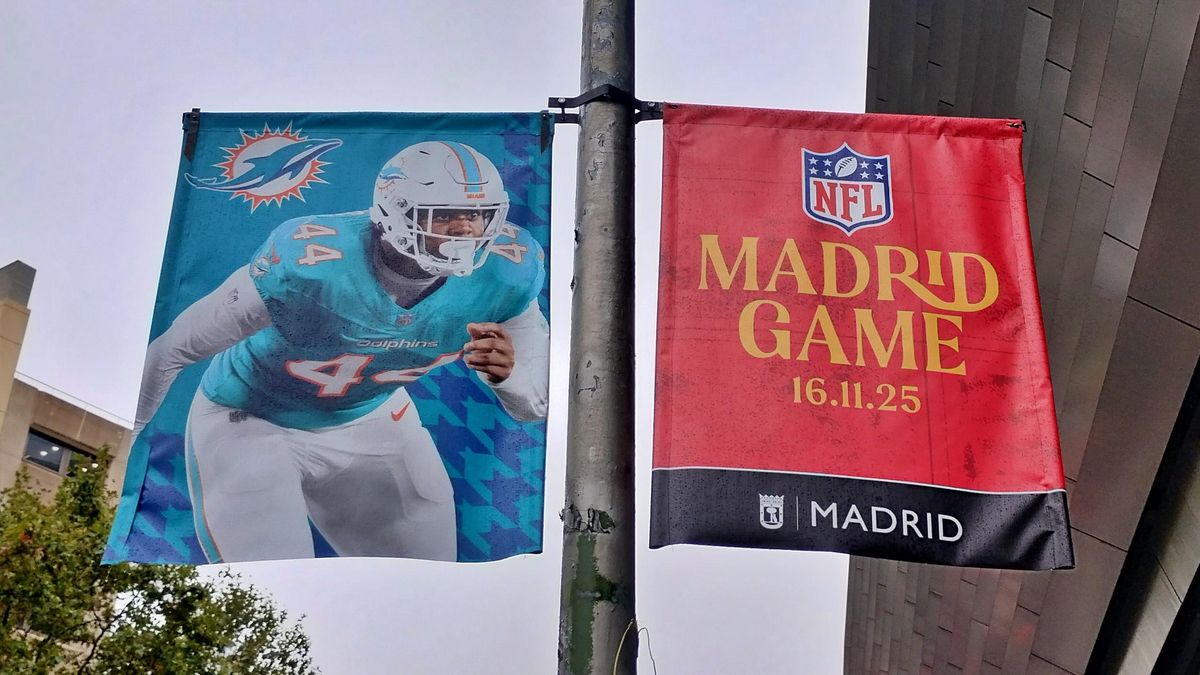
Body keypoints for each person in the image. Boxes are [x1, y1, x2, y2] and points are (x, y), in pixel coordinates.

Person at [134, 141, 549, 563]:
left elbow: (534, 405)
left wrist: (507, 375)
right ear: (395, 212)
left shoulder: (507, 272)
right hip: (251, 419)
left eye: (478, 216)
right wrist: (129, 444)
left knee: (426, 589)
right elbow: (175, 348)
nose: (465, 230)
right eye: (444, 214)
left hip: (373, 418)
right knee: (269, 590)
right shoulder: (310, 263)